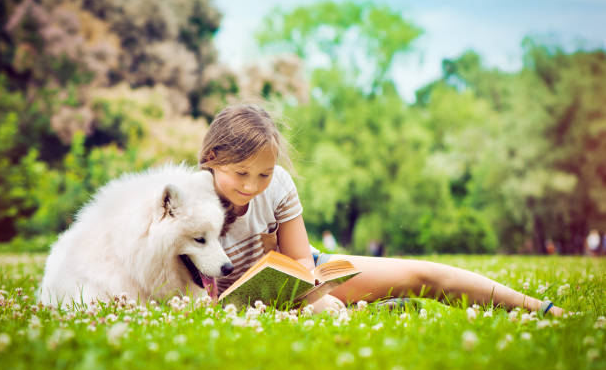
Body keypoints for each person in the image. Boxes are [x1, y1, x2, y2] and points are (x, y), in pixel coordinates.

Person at [200, 104, 563, 317]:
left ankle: (538, 308)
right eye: (240, 174)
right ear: (211, 159)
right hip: (249, 305)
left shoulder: (278, 184)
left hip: (301, 286)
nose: (251, 186)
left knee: (425, 275)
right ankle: (371, 309)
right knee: (326, 310)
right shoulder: (188, 202)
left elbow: (302, 265)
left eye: (263, 173)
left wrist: (313, 296)